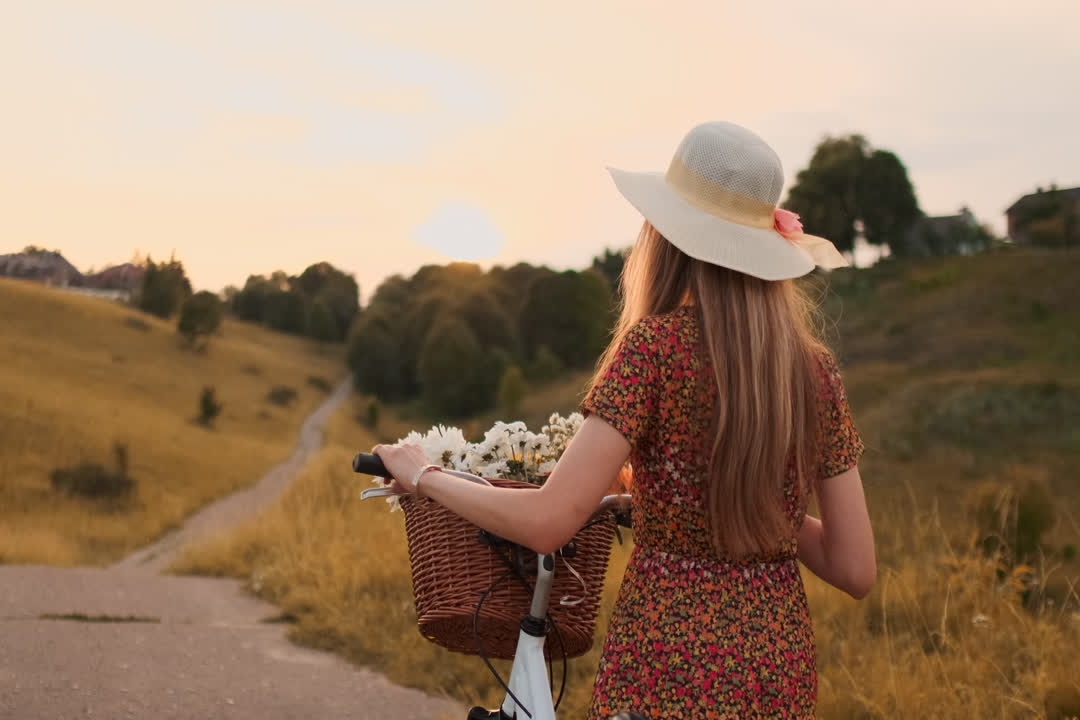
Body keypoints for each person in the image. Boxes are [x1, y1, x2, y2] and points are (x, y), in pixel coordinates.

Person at [372, 121, 875, 718]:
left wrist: (424, 475)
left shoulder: (654, 350)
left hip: (666, 664)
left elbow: (548, 522)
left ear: (667, 236)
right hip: (775, 671)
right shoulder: (814, 374)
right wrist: (749, 510)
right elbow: (854, 567)